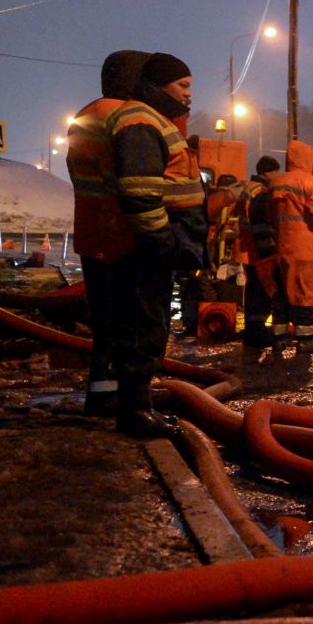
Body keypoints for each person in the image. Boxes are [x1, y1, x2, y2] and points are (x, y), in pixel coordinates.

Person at [96, 52, 206, 436]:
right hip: (148, 249)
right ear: (160, 85)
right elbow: (140, 192)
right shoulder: (141, 121)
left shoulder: (153, 119)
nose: (190, 94)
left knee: (148, 321)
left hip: (154, 246)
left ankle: (138, 402)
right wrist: (162, 241)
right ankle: (135, 412)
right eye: (184, 86)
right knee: (143, 324)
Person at [66, 49, 149, 421]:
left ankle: (100, 394)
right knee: (127, 321)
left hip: (90, 229)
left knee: (104, 322)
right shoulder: (124, 117)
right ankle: (123, 402)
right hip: (120, 233)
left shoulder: (83, 116)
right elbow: (133, 178)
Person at [271, 140, 313, 356]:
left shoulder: (277, 183)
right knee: (306, 294)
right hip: (306, 248)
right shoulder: (310, 183)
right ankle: (305, 340)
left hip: (283, 247)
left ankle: (278, 338)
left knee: (282, 293)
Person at [238, 156, 284, 361]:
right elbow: (259, 221)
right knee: (260, 291)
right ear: (267, 172)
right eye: (276, 171)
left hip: (247, 246)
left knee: (253, 291)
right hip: (257, 249)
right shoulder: (261, 191)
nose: (278, 176)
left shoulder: (249, 187)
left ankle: (253, 330)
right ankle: (257, 333)